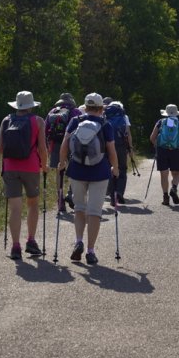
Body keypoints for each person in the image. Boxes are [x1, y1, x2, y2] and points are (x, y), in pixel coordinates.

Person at [58, 92, 119, 265]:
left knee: (79, 208)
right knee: (94, 212)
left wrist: (62, 162)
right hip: (100, 171)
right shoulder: (105, 124)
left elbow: (65, 143)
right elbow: (111, 149)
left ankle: (79, 242)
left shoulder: (75, 121)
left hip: (76, 170)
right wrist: (115, 167)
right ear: (101, 109)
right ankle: (90, 251)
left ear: (85, 107)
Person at [0, 91, 49, 259]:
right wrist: (45, 165)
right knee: (32, 204)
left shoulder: (6, 120)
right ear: (31, 106)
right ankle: (31, 241)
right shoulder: (38, 121)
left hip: (10, 168)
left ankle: (15, 247)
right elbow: (42, 148)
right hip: (31, 167)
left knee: (15, 209)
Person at [45, 92, 83, 211]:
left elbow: (46, 131)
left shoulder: (52, 112)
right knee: (75, 169)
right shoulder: (76, 112)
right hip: (72, 143)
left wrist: (48, 147)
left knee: (59, 170)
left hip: (56, 143)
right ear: (71, 101)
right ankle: (70, 193)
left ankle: (60, 199)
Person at [149, 104, 179, 206]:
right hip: (176, 150)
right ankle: (174, 188)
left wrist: (156, 146)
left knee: (164, 174)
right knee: (175, 173)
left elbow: (152, 137)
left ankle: (165, 196)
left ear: (166, 113)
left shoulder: (161, 122)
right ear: (176, 112)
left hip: (162, 150)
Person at [105, 100, 134, 206]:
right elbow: (128, 134)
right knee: (122, 168)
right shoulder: (124, 117)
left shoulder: (105, 116)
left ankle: (112, 196)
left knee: (110, 168)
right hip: (121, 146)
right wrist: (130, 148)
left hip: (108, 146)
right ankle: (120, 192)